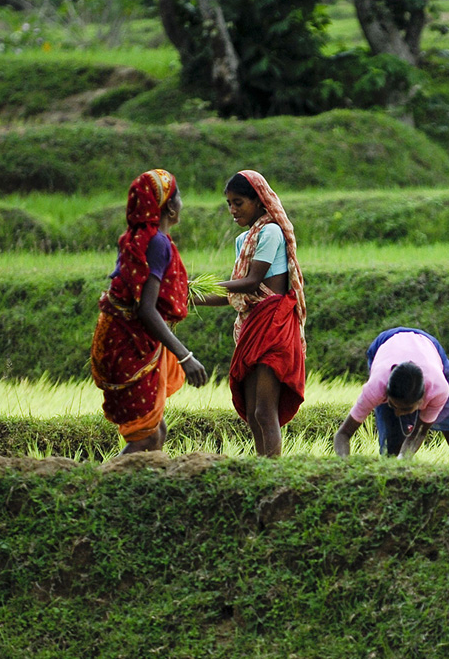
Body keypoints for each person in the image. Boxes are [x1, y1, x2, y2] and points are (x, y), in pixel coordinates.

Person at [91, 169, 208, 453]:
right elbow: (146, 308)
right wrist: (185, 356)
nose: (181, 203)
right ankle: (100, 487)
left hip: (117, 336)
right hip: (129, 342)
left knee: (156, 430)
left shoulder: (138, 237)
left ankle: (142, 491)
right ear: (170, 206)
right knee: (145, 436)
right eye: (178, 196)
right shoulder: (156, 243)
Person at [191, 170, 306, 457]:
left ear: (258, 201)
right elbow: (236, 294)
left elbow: (253, 281)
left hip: (274, 325)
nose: (232, 210)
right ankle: (261, 468)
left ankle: (273, 472)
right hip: (254, 325)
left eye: (238, 202)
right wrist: (190, 297)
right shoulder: (243, 241)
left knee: (266, 411)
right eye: (229, 203)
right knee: (254, 414)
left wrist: (199, 284)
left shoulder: (271, 232)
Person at [333, 327, 449, 462]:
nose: (398, 413)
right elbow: (343, 434)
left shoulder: (438, 389)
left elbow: (419, 433)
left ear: (422, 401)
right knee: (392, 444)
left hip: (428, 347)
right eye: (392, 405)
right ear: (386, 394)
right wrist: (345, 466)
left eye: (405, 409)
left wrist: (403, 459)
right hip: (385, 343)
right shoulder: (375, 388)